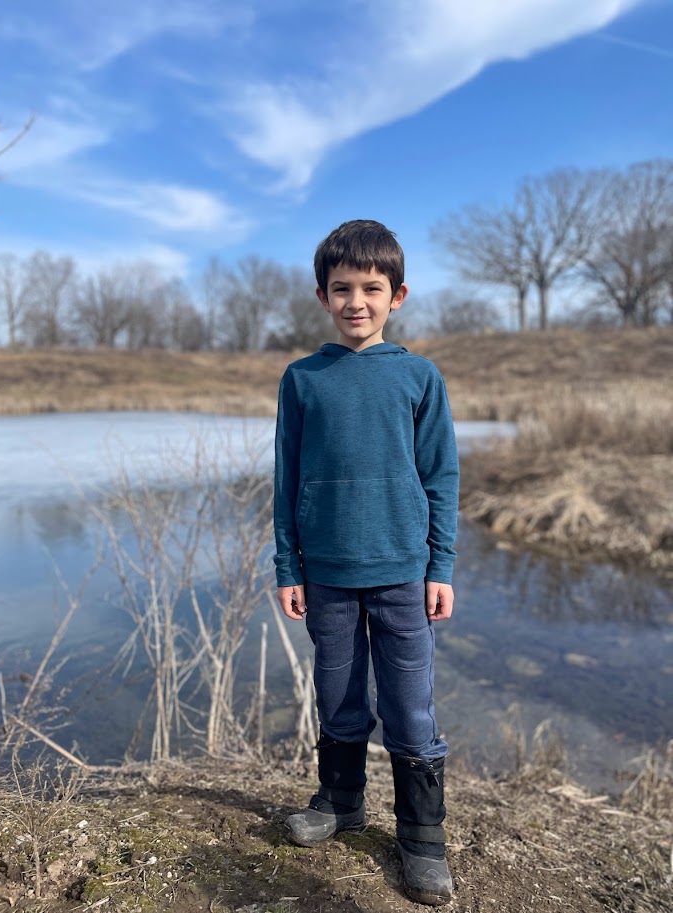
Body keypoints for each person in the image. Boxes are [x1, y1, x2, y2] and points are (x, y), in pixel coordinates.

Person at [274, 219, 459, 906]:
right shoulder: (302, 379)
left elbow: (440, 475)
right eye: (342, 288)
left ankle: (421, 838)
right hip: (323, 572)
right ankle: (341, 801)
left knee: (410, 708)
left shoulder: (417, 376)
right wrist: (286, 566)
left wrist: (440, 565)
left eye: (371, 288)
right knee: (340, 696)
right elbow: (284, 479)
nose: (357, 300)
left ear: (397, 295)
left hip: (403, 573)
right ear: (321, 295)